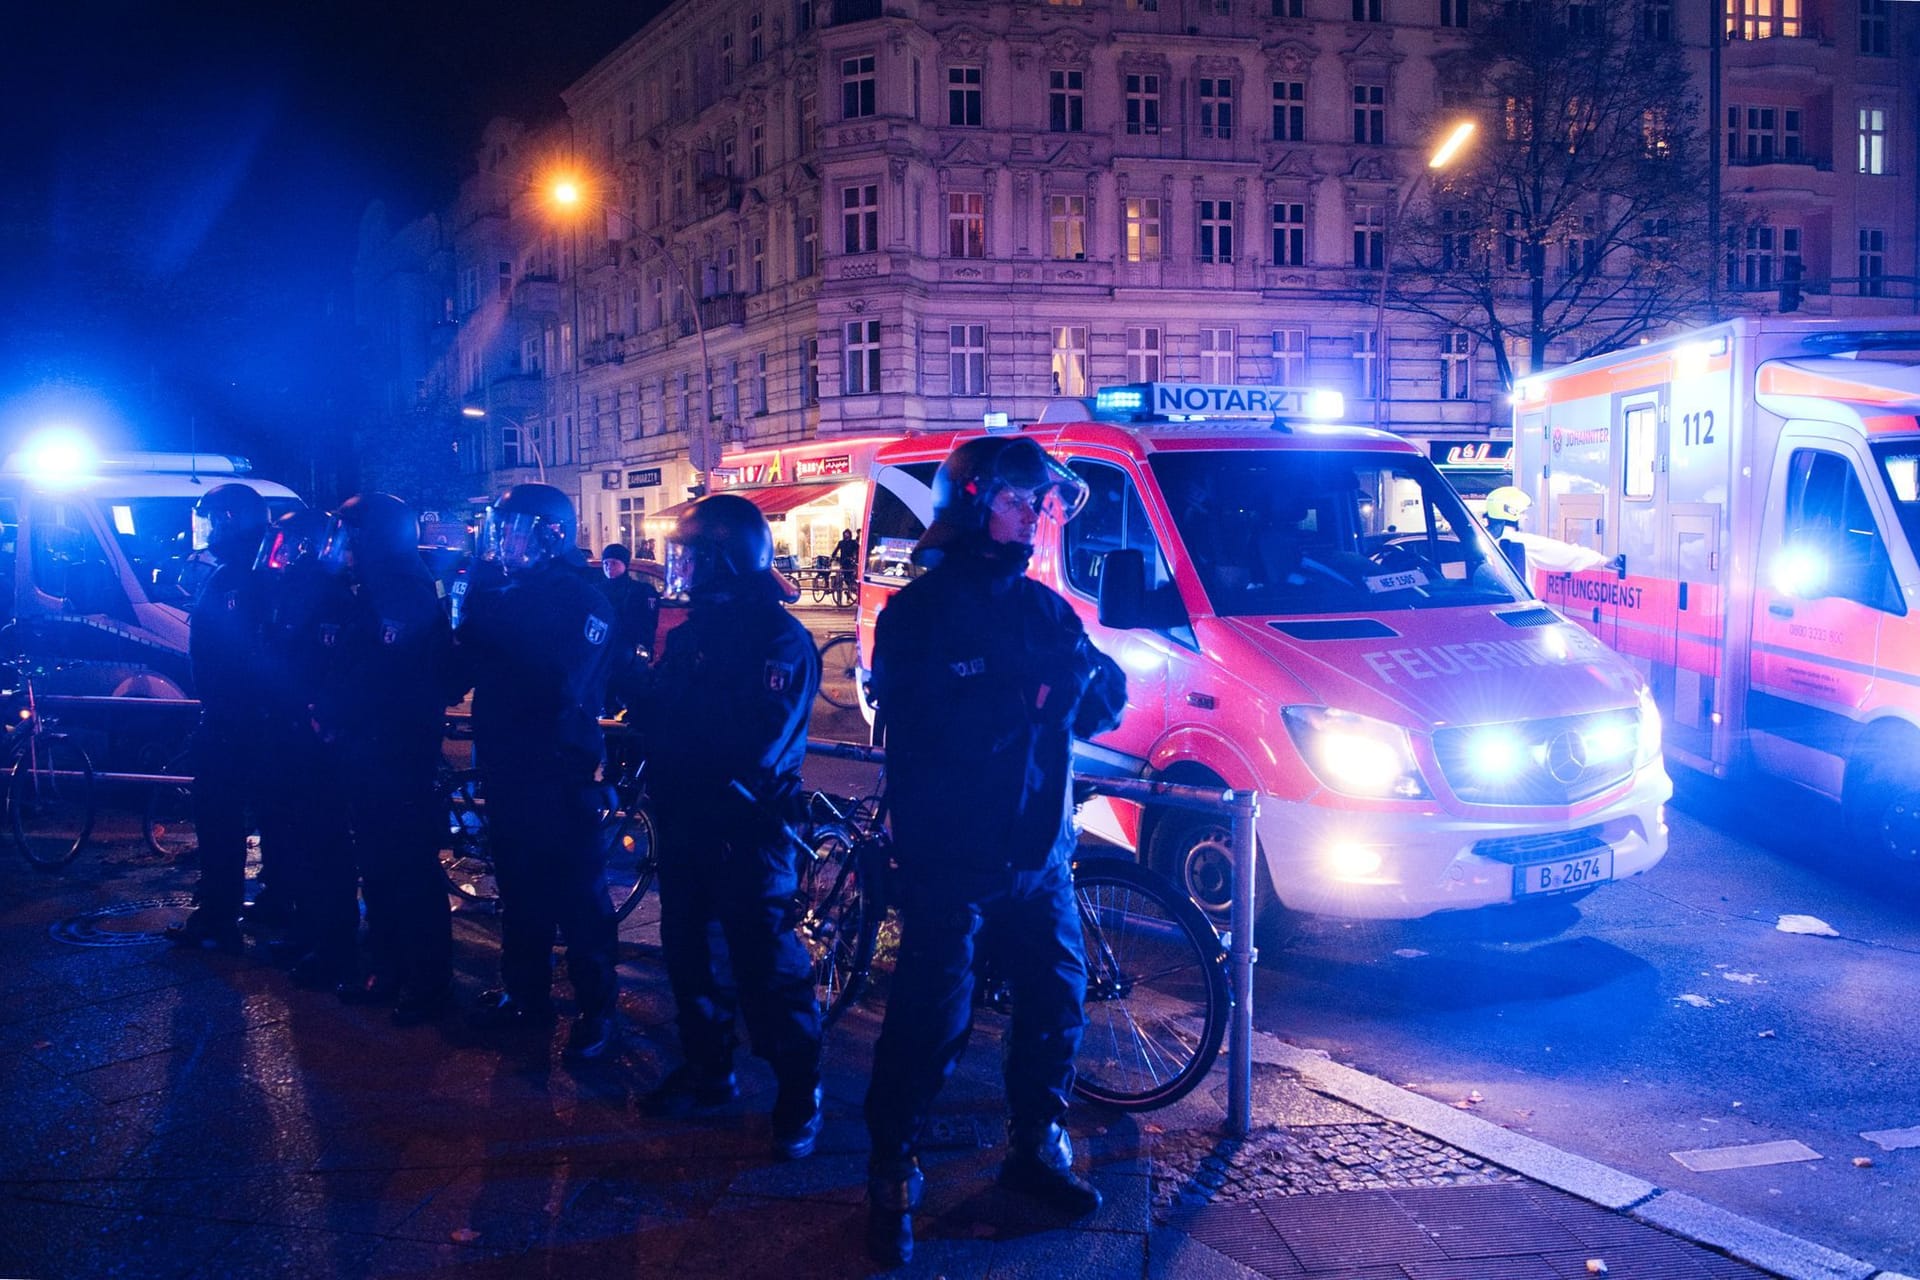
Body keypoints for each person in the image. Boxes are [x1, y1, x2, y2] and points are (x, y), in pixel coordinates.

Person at [861, 436, 1127, 1266]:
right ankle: (891, 1170)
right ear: (974, 502)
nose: (1036, 517)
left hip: (1038, 856)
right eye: (1021, 501)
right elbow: (915, 730)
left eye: (1041, 503)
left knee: (1056, 1002)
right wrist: (1027, 702)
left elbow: (1096, 703)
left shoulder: (1043, 607)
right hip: (953, 859)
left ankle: (1036, 1145)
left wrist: (1084, 692)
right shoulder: (919, 614)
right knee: (930, 1017)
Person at [634, 494, 823, 1160]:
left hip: (746, 832)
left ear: (726, 561)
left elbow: (754, 744)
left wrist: (677, 740)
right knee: (688, 957)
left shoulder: (779, 640)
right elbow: (659, 715)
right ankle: (709, 1070)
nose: (679, 569)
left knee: (768, 971)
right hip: (686, 824)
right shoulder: (690, 635)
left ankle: (800, 1091)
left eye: (691, 556)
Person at [455, 483, 622, 1060]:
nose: (503, 541)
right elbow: (462, 672)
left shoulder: (583, 601)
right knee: (520, 895)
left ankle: (599, 1013)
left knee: (581, 902)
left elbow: (559, 682)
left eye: (515, 528)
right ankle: (525, 995)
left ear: (552, 534)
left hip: (559, 774)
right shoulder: (506, 593)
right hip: (508, 769)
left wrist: (492, 627)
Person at [318, 493, 457, 1026]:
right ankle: (389, 966)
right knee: (378, 864)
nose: (345, 548)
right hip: (369, 751)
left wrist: (335, 706)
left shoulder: (403, 592)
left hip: (396, 754)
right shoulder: (371, 589)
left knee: (408, 867)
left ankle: (427, 978)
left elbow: (381, 677)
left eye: (351, 536)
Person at [164, 483, 272, 953]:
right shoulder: (241, 569)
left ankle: (218, 915)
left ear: (232, 519)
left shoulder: (247, 574)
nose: (208, 529)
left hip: (237, 721)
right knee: (257, 816)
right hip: (237, 717)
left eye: (214, 519)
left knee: (221, 820)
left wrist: (230, 708)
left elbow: (248, 653)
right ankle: (262, 904)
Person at [254, 509, 357, 990]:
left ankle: (331, 941)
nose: (283, 553)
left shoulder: (331, 596)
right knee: (299, 840)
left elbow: (324, 665)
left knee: (324, 844)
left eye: (292, 544)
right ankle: (309, 932)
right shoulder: (294, 591)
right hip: (289, 729)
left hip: (314, 737)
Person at [1482, 485, 1616, 575]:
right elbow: (1566, 555)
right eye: (1523, 513)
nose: (1526, 517)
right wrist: (1603, 560)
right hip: (1516, 607)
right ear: (1512, 513)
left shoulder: (1480, 538)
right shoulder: (1520, 542)